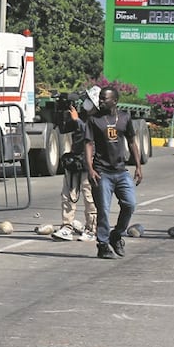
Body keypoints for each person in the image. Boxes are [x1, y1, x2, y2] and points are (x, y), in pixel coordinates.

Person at [85, 86, 142, 259]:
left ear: (114, 101)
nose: (101, 101)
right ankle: (102, 245)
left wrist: (138, 166)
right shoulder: (94, 120)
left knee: (130, 204)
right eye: (100, 98)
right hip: (102, 172)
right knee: (103, 210)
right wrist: (90, 168)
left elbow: (132, 142)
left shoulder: (124, 118)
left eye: (104, 99)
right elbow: (88, 144)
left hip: (121, 171)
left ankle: (116, 235)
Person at [52, 88, 98, 243]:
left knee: (89, 197)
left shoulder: (99, 119)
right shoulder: (82, 116)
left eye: (89, 101)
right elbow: (64, 128)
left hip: (91, 163)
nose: (86, 104)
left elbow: (91, 134)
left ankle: (91, 229)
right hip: (76, 160)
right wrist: (61, 110)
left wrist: (77, 120)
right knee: (68, 195)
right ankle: (67, 226)